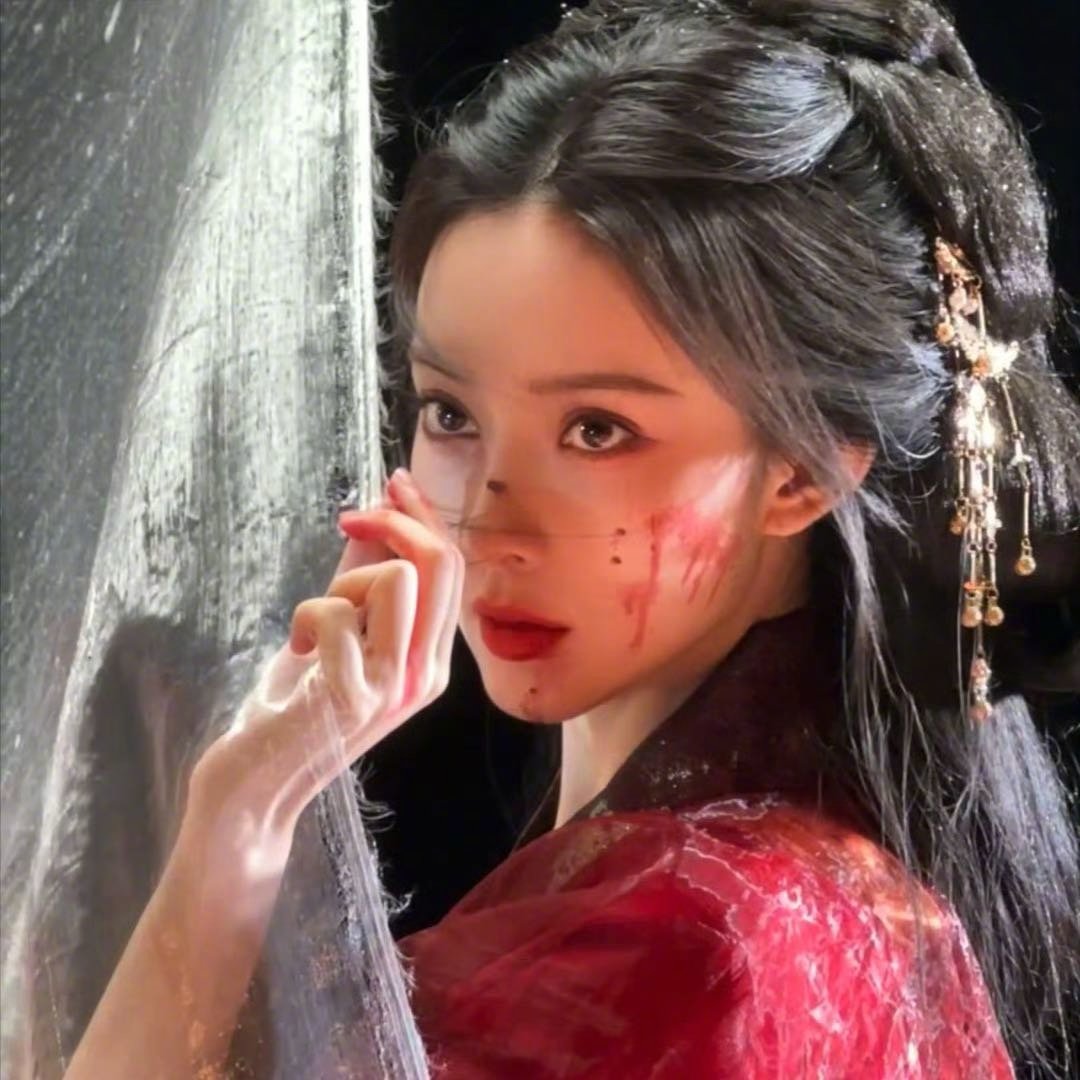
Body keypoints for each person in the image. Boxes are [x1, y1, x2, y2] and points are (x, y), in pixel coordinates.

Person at [64, 0, 1079, 1076]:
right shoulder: (802, 885)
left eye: (598, 430)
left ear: (801, 468)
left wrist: (240, 821)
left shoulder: (687, 935)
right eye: (451, 412)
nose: (489, 522)